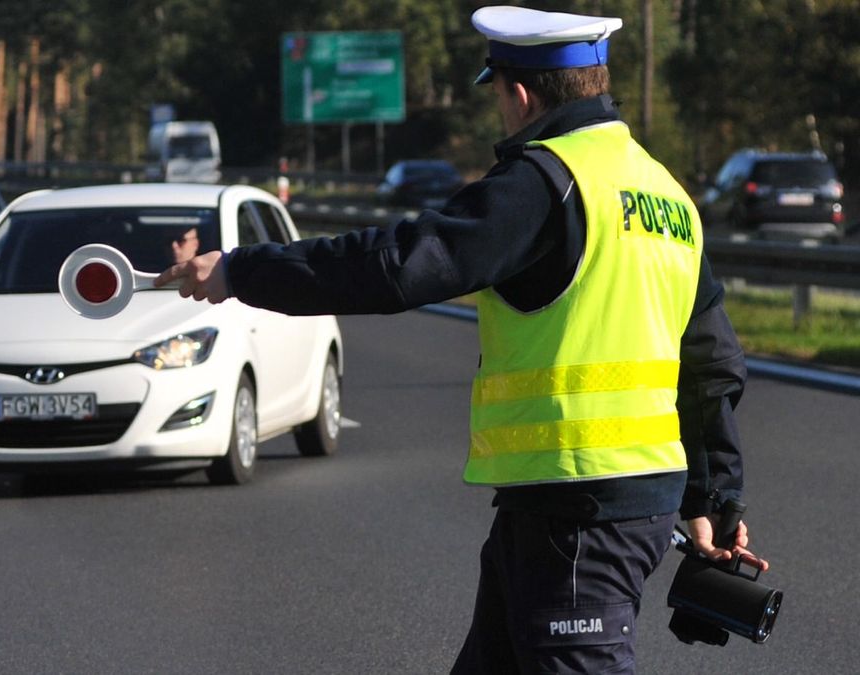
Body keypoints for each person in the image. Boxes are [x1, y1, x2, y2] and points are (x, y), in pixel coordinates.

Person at [155, 5, 768, 673]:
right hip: (603, 503)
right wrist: (712, 498)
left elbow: (398, 265)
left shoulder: (545, 183)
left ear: (520, 93)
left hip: (576, 509)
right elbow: (711, 364)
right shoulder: (665, 194)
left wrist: (241, 271)